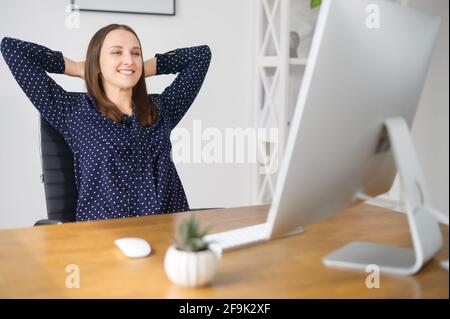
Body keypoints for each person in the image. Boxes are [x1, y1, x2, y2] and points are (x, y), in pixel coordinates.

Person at [0, 24, 212, 221]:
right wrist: (78, 67)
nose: (129, 59)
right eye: (117, 52)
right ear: (97, 61)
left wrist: (134, 70)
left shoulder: (161, 109)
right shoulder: (72, 111)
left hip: (169, 231)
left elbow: (201, 56)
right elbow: (12, 49)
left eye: (135, 53)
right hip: (104, 235)